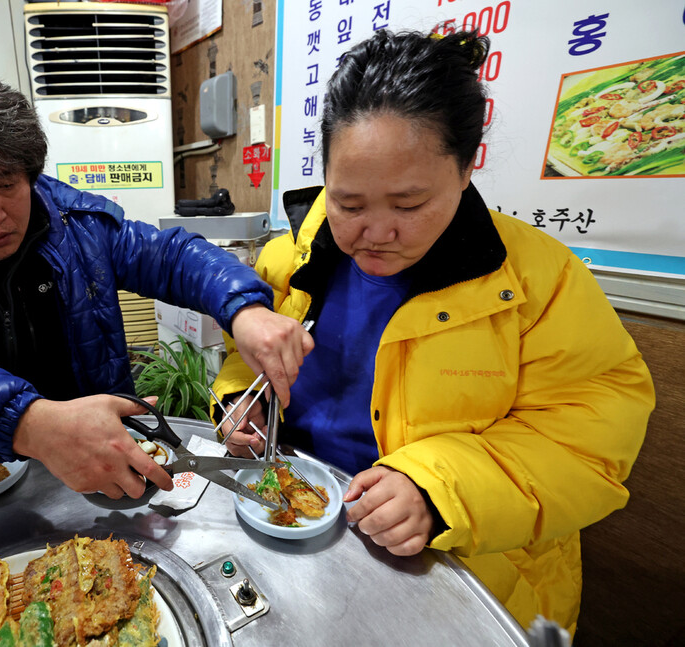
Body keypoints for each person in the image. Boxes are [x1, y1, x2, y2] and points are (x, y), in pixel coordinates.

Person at [212, 30, 654, 636]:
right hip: (300, 536)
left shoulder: (538, 281)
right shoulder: (297, 254)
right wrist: (244, 403)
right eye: (349, 202)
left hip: (464, 574)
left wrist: (436, 489)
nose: (375, 232)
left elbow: (589, 442)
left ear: (466, 168)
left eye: (410, 204)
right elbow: (249, 357)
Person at [0, 66, 313, 499]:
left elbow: (169, 256)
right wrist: (27, 423)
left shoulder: (71, 220)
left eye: (7, 184)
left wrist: (244, 308)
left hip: (96, 465)